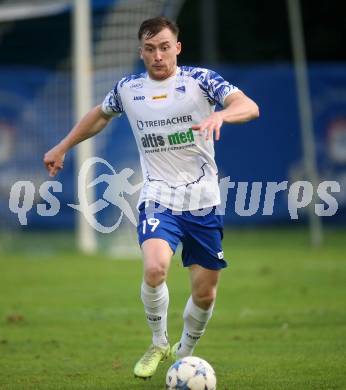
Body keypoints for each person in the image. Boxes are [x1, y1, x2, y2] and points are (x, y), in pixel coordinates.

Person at [43, 16, 259, 379]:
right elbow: (99, 115)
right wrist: (63, 146)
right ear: (140, 52)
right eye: (149, 49)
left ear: (177, 47)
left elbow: (249, 106)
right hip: (158, 196)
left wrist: (222, 115)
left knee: (205, 295)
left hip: (203, 200)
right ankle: (159, 341)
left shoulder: (200, 80)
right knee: (155, 267)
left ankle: (183, 354)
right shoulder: (129, 88)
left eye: (163, 47)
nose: (157, 55)